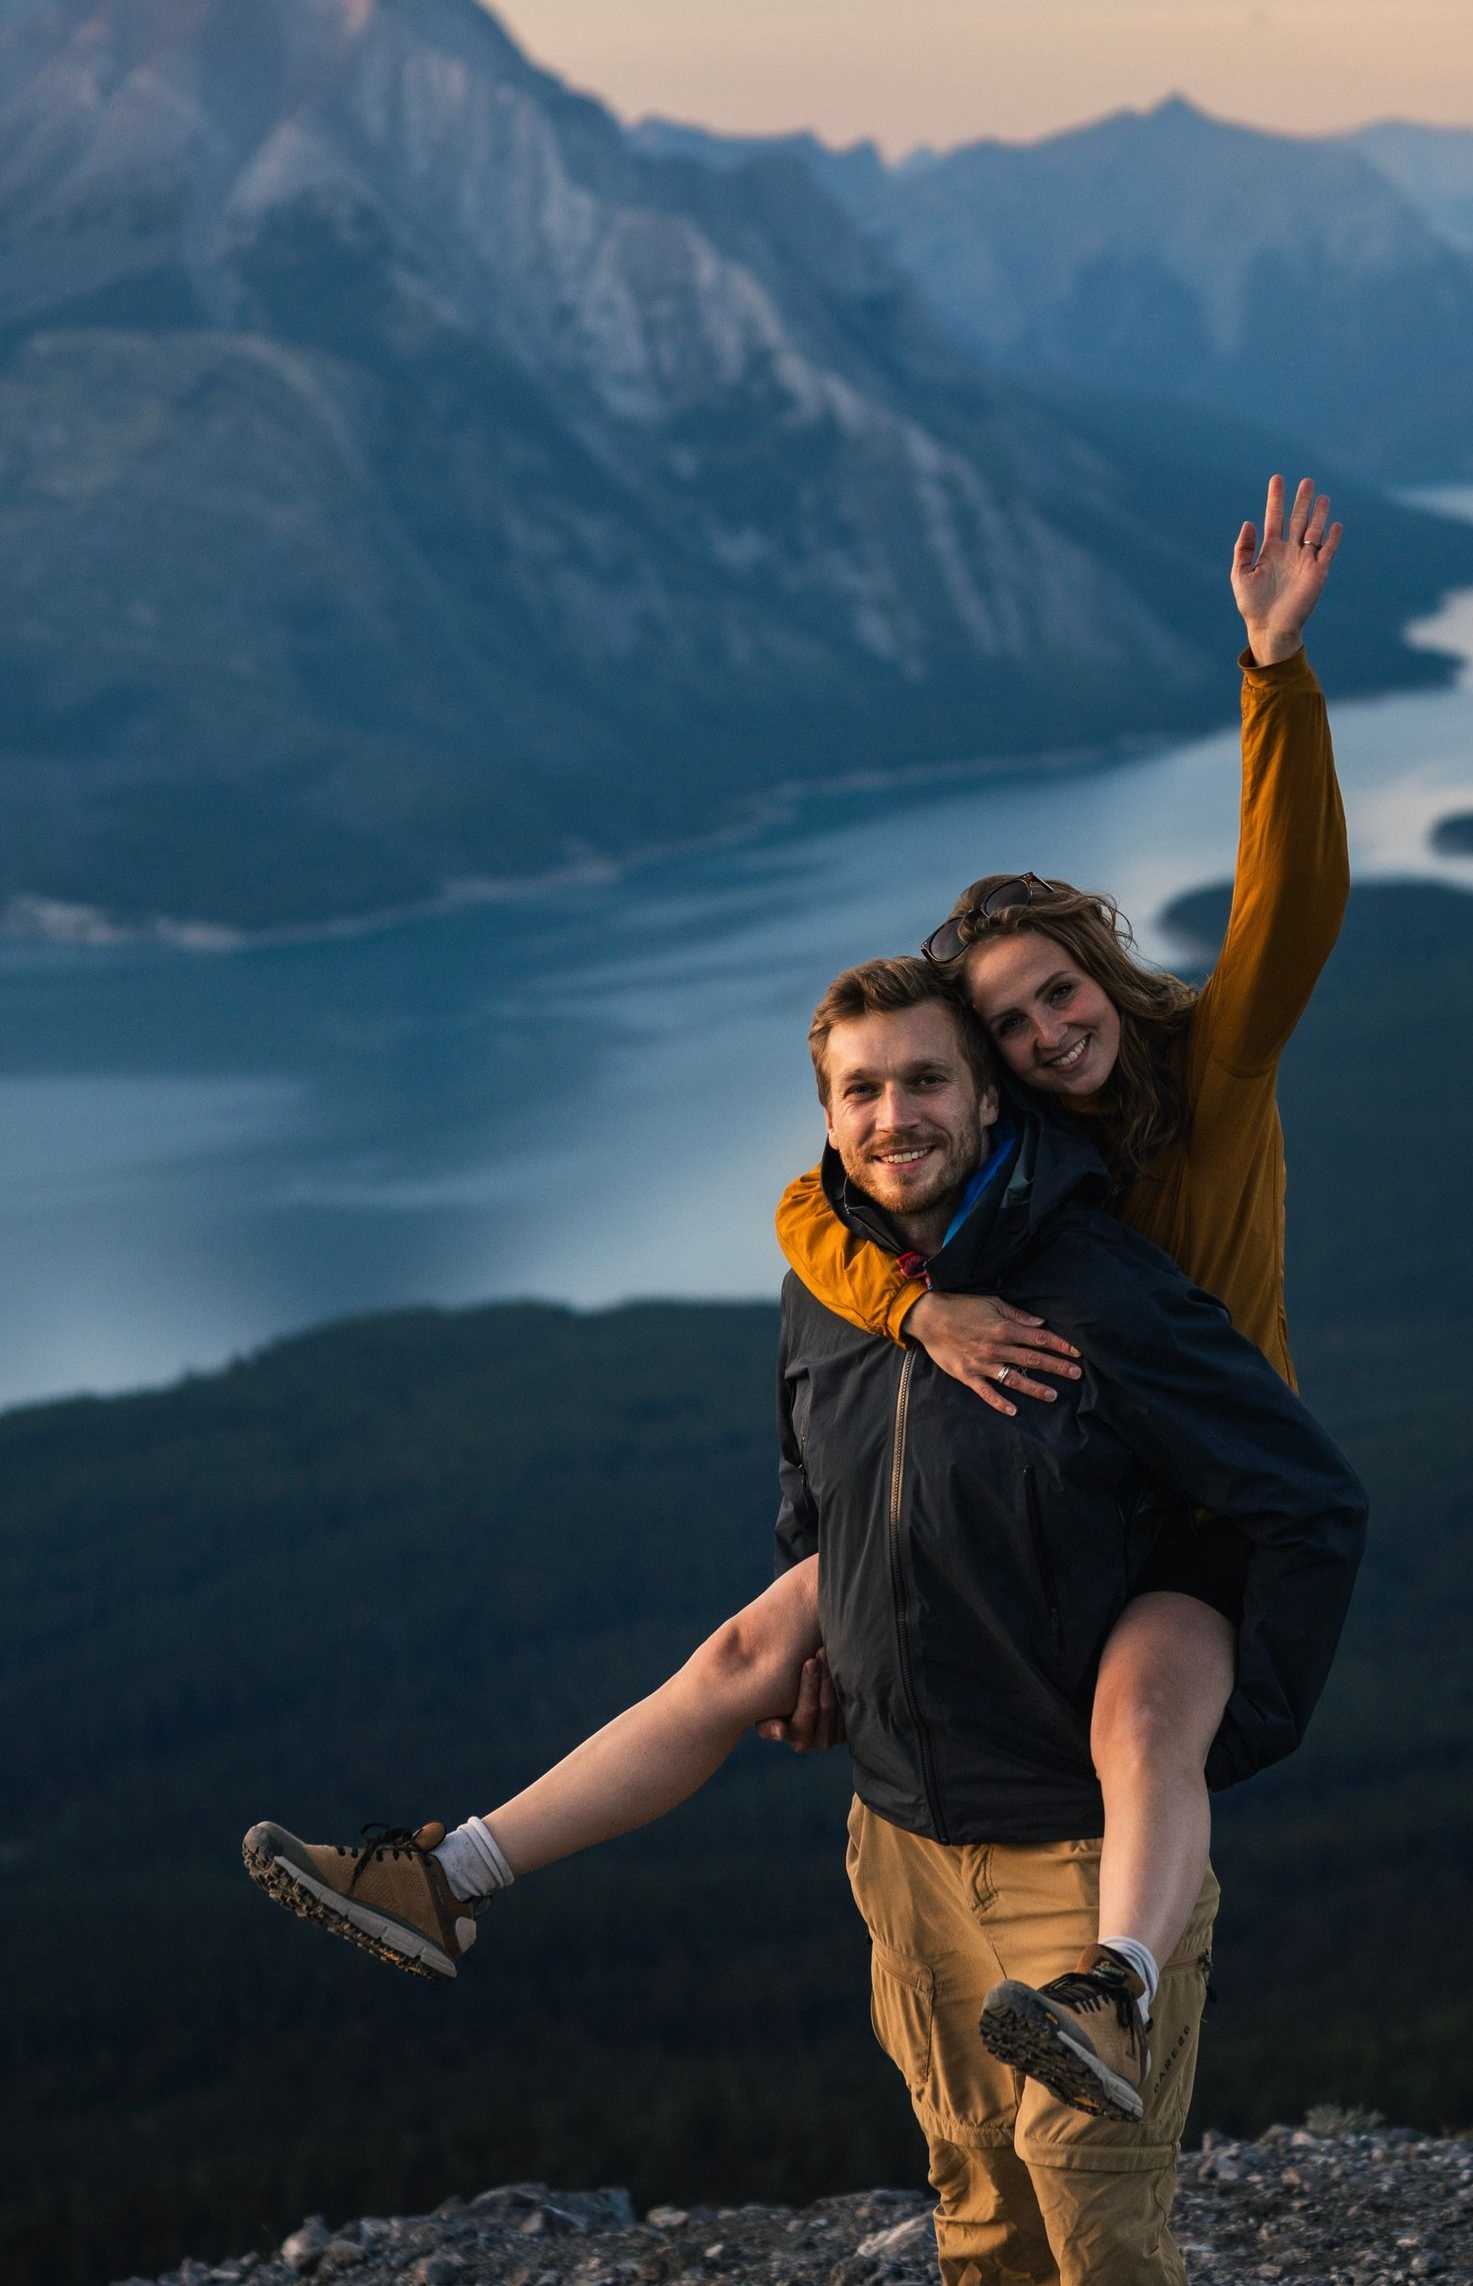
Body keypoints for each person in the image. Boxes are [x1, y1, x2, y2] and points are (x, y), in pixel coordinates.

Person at [243, 474, 1349, 2121]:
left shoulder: (1216, 1068)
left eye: (1063, 994)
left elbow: (1293, 904)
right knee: (748, 1646)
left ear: (1107, 972)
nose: (1050, 1034)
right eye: (1014, 1024)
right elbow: (812, 1207)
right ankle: (448, 1873)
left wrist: (1271, 673)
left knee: (1142, 1722)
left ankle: (1113, 1992)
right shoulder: (1019, 1147)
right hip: (1043, 1479)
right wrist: (916, 1322)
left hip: (1180, 1491)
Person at [782, 954, 1367, 2286]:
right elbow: (822, 1476)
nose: (894, 1114)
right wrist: (833, 1653)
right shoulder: (833, 1278)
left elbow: (1306, 1502)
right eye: (863, 1091)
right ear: (828, 1120)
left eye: (926, 1082)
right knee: (981, 2228)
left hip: (1078, 1854)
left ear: (990, 1094)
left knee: (1104, 2250)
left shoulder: (1101, 1288)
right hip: (905, 1848)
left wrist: (1224, 1726)